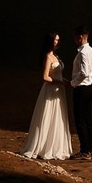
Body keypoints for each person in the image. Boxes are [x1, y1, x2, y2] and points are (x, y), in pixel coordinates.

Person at [20, 32, 76, 161]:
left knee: (58, 116)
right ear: (50, 41)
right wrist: (58, 81)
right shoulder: (48, 57)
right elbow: (45, 77)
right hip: (50, 90)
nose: (57, 42)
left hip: (58, 90)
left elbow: (57, 74)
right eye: (55, 40)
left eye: (58, 40)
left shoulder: (55, 56)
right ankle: (43, 147)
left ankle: (55, 146)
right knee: (48, 115)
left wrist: (64, 81)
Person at [67, 28, 92, 159]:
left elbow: (84, 73)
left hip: (81, 89)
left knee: (80, 120)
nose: (75, 40)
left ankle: (85, 151)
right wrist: (87, 77)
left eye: (75, 38)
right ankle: (90, 149)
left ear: (80, 37)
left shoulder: (84, 52)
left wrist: (73, 83)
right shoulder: (91, 51)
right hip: (89, 88)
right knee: (88, 120)